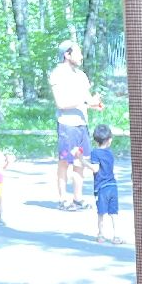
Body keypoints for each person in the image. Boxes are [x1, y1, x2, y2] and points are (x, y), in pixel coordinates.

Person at [48, 40, 102, 211]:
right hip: (67, 125)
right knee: (65, 161)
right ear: (67, 54)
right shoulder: (57, 74)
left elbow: (86, 99)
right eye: (77, 53)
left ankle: (78, 198)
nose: (81, 57)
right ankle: (63, 199)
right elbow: (61, 103)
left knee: (81, 161)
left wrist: (94, 104)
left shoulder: (81, 76)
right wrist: (85, 101)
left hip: (82, 125)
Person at [88, 123, 121, 244]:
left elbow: (95, 169)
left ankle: (101, 235)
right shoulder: (110, 153)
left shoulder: (95, 153)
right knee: (114, 213)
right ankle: (116, 236)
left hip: (101, 188)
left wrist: (83, 162)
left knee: (101, 213)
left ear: (96, 140)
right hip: (113, 186)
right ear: (109, 140)